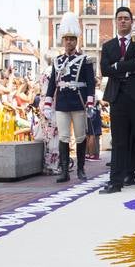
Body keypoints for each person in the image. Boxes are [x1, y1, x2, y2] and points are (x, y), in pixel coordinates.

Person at [99, 6, 135, 193]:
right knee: (119, 141)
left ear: (132, 22)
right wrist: (129, 66)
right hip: (118, 98)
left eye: (126, 18)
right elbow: (105, 70)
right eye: (120, 18)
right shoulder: (108, 46)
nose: (123, 21)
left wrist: (118, 65)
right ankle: (115, 181)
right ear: (116, 22)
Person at [43, 12, 96, 183]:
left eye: (72, 39)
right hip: (63, 103)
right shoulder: (57, 61)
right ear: (62, 40)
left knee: (80, 136)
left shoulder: (84, 60)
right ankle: (64, 170)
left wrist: (90, 103)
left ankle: (80, 169)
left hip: (78, 101)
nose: (69, 42)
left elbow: (90, 83)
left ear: (76, 40)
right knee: (64, 137)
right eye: (66, 39)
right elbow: (52, 84)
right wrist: (47, 103)